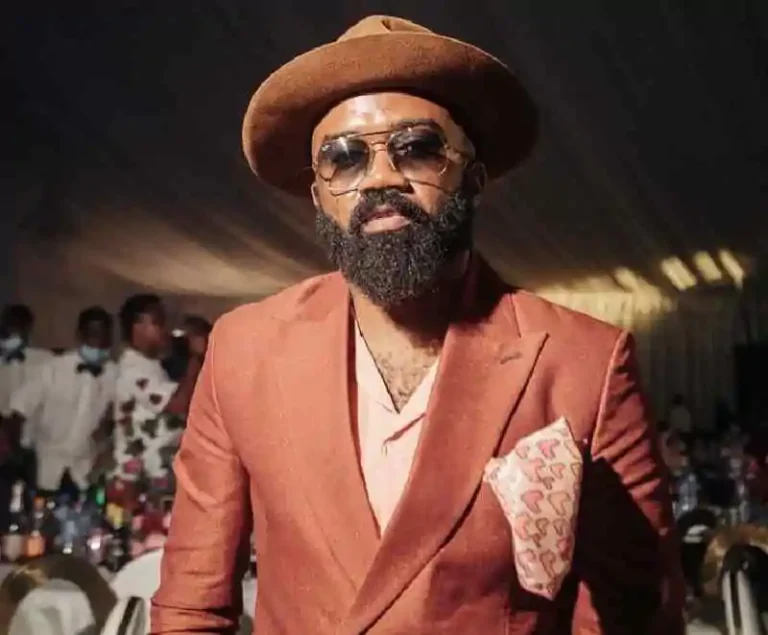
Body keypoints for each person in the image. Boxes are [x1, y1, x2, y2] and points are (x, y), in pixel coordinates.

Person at [152, 16, 685, 634]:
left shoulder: (585, 361)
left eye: (418, 148)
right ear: (319, 195)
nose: (381, 178)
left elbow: (636, 616)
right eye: (344, 158)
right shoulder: (244, 349)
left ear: (474, 179)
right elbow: (190, 607)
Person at [9, 307, 116, 493]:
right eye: (93, 336)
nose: (99, 344)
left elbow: (113, 415)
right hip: (45, 465)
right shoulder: (52, 369)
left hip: (84, 469)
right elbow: (18, 410)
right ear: (79, 336)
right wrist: (19, 457)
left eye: (104, 338)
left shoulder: (113, 373)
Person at [111, 294, 202, 493]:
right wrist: (196, 357)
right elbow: (177, 405)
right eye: (158, 322)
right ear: (137, 327)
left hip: (155, 472)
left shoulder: (151, 365)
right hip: (138, 477)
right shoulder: (133, 369)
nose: (165, 329)